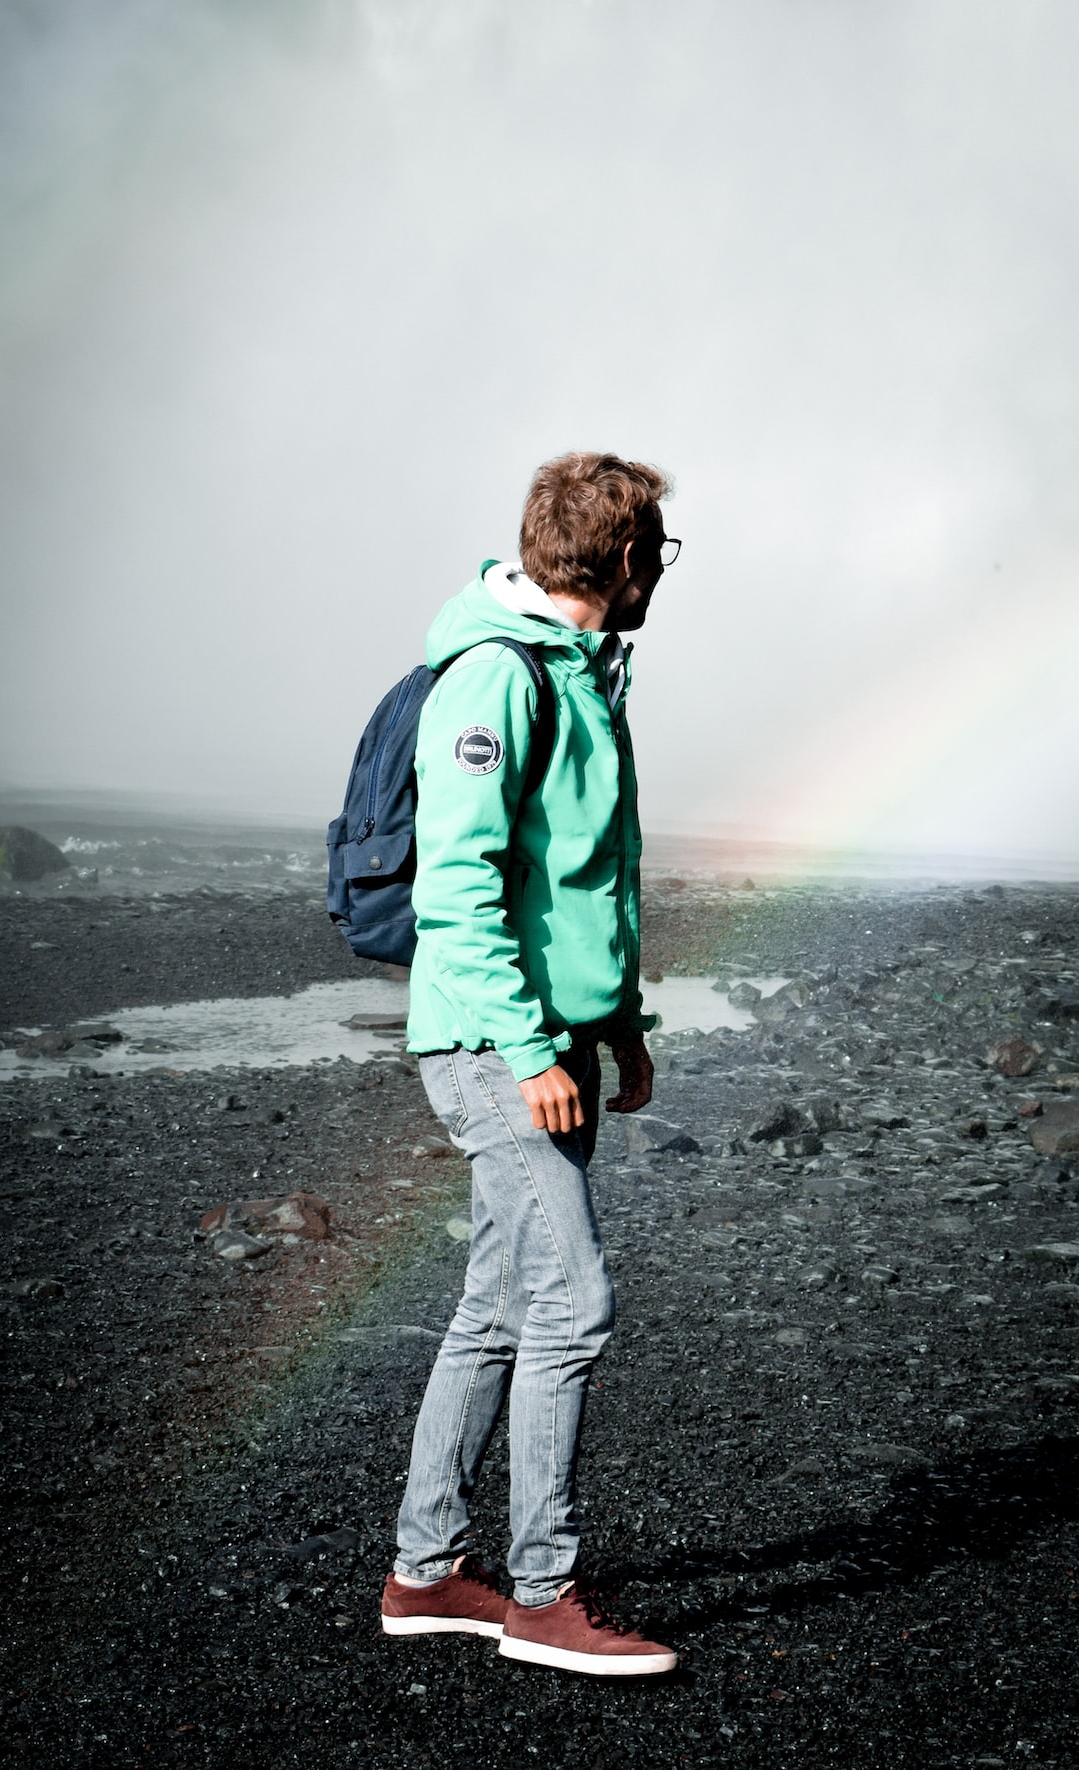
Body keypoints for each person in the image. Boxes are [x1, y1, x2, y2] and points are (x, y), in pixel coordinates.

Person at [380, 452, 681, 1676]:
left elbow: (577, 883)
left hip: (551, 1042)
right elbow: (456, 891)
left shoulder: (581, 674)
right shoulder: (497, 677)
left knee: (501, 1304)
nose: (660, 571)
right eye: (656, 550)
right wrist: (523, 1047)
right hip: (489, 1041)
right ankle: (546, 1599)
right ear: (619, 557)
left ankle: (426, 1571)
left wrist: (622, 1029)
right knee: (574, 1302)